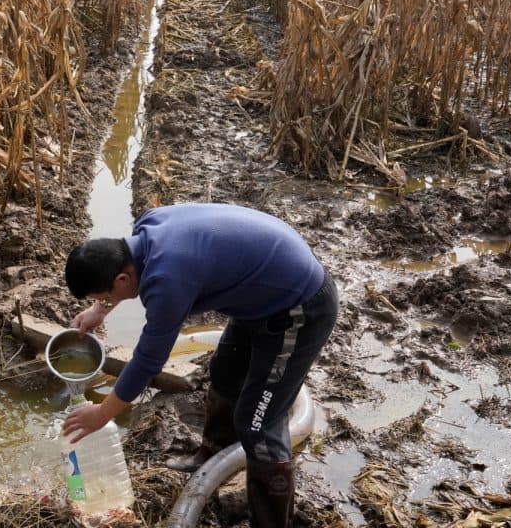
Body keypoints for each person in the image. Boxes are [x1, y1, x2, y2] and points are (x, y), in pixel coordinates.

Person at [61, 203, 339, 528]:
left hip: (299, 308)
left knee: (258, 423)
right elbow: (124, 279)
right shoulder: (146, 230)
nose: (104, 301)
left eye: (102, 296)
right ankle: (212, 458)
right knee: (225, 372)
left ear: (122, 278)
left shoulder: (166, 281)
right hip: (263, 294)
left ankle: (274, 523)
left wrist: (102, 413)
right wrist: (100, 309)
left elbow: (148, 361)